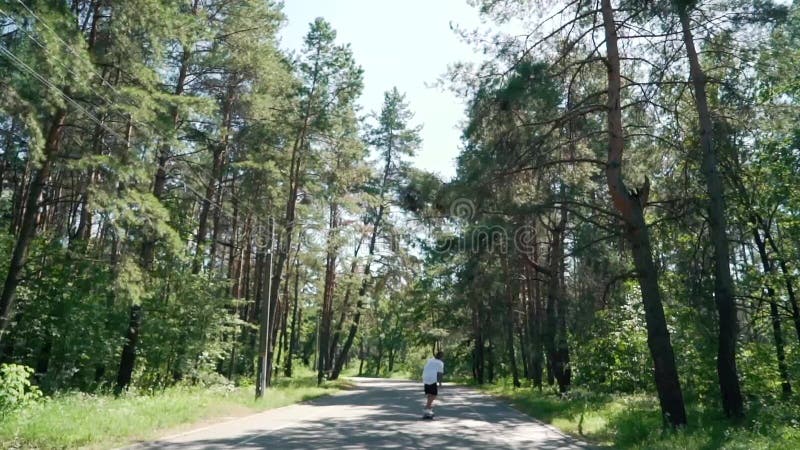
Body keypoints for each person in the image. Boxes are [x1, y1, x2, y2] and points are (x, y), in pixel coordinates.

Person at [422, 351, 444, 417]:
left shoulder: (430, 360)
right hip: (432, 379)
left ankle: (428, 411)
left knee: (429, 394)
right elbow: (440, 374)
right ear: (441, 357)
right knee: (434, 395)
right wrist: (440, 383)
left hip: (425, 377)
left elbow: (427, 368)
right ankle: (426, 408)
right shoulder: (440, 363)